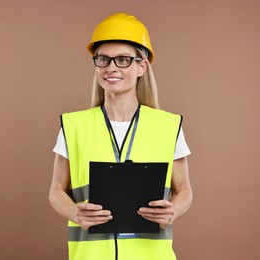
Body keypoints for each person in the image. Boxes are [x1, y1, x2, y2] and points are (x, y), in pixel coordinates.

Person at [49, 13, 193, 260]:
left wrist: (173, 211)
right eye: (103, 59)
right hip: (91, 256)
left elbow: (185, 190)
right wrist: (75, 213)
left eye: (123, 60)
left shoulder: (168, 125)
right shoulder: (74, 125)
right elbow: (56, 191)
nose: (111, 68)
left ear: (142, 66)